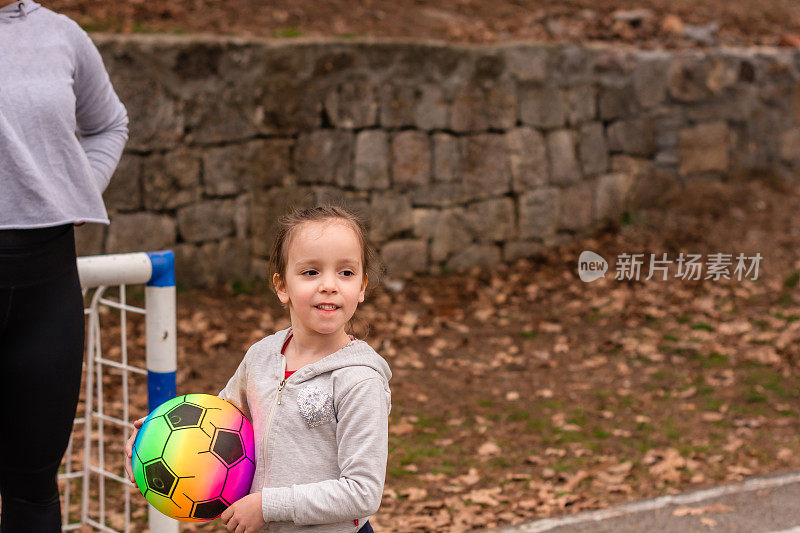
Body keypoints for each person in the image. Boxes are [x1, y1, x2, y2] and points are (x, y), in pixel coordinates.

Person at [125, 205, 391, 532]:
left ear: (362, 287)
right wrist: (152, 441)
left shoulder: (358, 380)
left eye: (346, 273)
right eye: (311, 272)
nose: (329, 285)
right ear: (282, 287)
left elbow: (363, 493)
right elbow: (217, 420)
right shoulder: (261, 357)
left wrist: (268, 506)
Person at [0, 0, 129, 530]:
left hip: (48, 283)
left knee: (33, 486)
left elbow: (109, 124)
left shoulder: (61, 34)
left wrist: (77, 189)